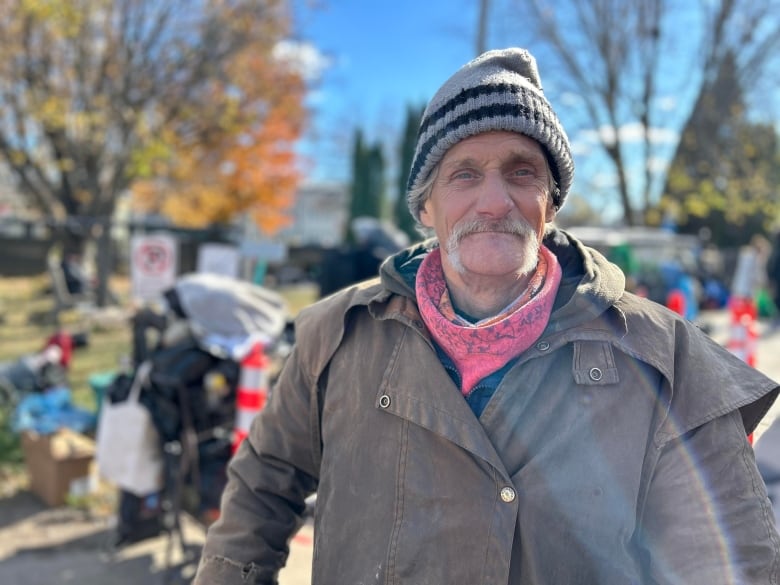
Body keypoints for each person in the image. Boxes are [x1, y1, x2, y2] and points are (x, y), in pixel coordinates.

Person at [194, 48, 780, 584]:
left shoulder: (665, 360)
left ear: (550, 203)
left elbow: (731, 564)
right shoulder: (336, 338)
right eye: (465, 174)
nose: (495, 200)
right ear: (427, 205)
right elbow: (259, 490)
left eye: (522, 171)